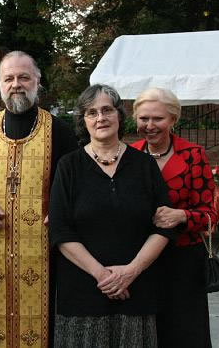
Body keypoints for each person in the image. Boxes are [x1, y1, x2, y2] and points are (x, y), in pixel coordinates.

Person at [0, 51, 78, 347]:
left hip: (45, 256)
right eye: (9, 78)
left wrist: (61, 211)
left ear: (37, 81)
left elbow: (76, 188)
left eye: (24, 77)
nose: (16, 84)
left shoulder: (60, 133)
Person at [49, 84, 175, 347]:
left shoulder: (144, 165)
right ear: (83, 121)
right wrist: (103, 276)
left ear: (119, 115)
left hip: (136, 291)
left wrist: (131, 272)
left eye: (107, 110)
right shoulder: (68, 166)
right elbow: (60, 230)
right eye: (91, 112)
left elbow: (163, 226)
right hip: (83, 294)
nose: (100, 118)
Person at [130, 87, 216, 348]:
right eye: (144, 118)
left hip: (183, 260)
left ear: (173, 119)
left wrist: (182, 215)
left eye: (158, 118)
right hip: (141, 258)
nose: (150, 125)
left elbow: (210, 215)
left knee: (184, 331)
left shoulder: (193, 155)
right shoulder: (129, 154)